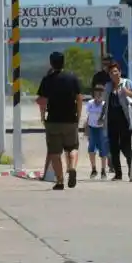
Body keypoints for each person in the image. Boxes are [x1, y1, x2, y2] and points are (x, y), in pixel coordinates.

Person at [36, 52, 83, 191]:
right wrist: (78, 115)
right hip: (70, 120)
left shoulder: (47, 80)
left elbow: (42, 101)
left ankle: (60, 181)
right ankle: (72, 168)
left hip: (53, 121)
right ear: (64, 62)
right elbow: (79, 98)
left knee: (55, 152)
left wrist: (42, 116)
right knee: (72, 147)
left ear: (51, 63)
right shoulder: (72, 78)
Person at [99, 62, 132, 181]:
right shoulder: (108, 86)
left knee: (125, 147)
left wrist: (127, 92)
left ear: (119, 72)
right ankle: (118, 174)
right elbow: (105, 104)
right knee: (113, 149)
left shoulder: (127, 83)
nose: (114, 74)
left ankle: (131, 171)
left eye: (116, 71)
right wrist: (101, 117)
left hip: (124, 120)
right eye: (111, 72)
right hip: (111, 121)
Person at [84, 85, 109, 180]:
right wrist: (86, 128)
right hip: (92, 128)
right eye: (96, 92)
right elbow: (88, 116)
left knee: (103, 150)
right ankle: (93, 169)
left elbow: (107, 117)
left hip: (101, 129)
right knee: (91, 149)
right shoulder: (90, 103)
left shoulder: (104, 104)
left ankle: (103, 170)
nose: (98, 94)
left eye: (100, 93)